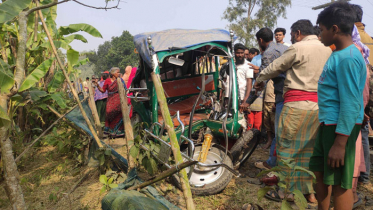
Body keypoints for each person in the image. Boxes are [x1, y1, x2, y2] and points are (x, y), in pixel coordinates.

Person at [254, 19, 332, 203]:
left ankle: (285, 191)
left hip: (296, 106)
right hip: (319, 108)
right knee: (309, 151)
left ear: (297, 33)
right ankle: (309, 193)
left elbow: (275, 67)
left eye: (291, 35)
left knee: (287, 149)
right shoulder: (327, 49)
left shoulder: (298, 48)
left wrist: (259, 79)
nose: (292, 38)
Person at [309, 3, 366, 210]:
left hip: (339, 128)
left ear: (334, 29)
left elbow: (351, 102)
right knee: (321, 173)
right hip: (328, 124)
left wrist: (340, 143)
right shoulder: (338, 55)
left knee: (341, 182)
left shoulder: (348, 58)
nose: (319, 35)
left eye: (321, 30)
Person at [247, 28, 288, 171]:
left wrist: (247, 102)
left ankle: (272, 164)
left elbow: (261, 80)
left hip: (283, 95)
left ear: (260, 41)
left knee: (279, 133)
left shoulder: (268, 53)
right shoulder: (284, 48)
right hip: (290, 94)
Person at [351, 4, 373, 187]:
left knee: (361, 132)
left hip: (361, 89)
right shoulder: (368, 39)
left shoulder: (352, 42)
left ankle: (360, 175)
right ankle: (363, 176)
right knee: (364, 132)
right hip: (368, 88)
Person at [95, 67, 127, 137]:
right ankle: (109, 131)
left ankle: (118, 131)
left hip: (119, 100)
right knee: (109, 113)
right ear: (113, 73)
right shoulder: (107, 81)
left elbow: (125, 89)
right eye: (117, 72)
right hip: (110, 100)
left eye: (119, 72)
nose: (119, 74)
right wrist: (97, 85)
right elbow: (103, 90)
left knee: (119, 114)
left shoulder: (120, 80)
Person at [235, 44, 253, 113]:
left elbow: (249, 83)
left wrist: (246, 99)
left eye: (241, 53)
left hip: (242, 98)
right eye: (238, 53)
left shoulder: (248, 65)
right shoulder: (230, 64)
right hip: (231, 97)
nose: (240, 55)